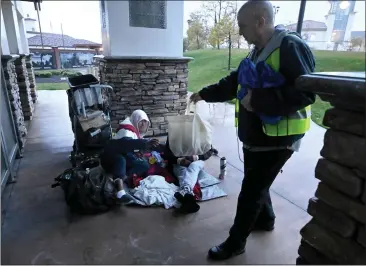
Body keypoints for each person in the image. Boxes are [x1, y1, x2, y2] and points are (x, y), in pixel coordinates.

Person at [190, 0, 316, 260]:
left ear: (260, 21)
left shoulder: (291, 46)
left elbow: (307, 92)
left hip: (278, 137)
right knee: (257, 182)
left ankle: (236, 242)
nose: (239, 32)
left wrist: (258, 101)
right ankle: (265, 219)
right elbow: (235, 82)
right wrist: (203, 94)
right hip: (258, 135)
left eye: (242, 25)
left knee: (251, 190)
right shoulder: (257, 51)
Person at [100, 110, 160, 203]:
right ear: (136, 120)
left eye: (145, 121)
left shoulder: (134, 130)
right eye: (141, 121)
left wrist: (138, 151)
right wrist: (144, 143)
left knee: (144, 165)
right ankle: (120, 191)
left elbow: (132, 146)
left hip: (125, 155)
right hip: (111, 158)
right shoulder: (126, 130)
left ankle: (121, 178)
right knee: (121, 160)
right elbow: (126, 143)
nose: (143, 124)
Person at [162, 136, 217, 213]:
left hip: (197, 160)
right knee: (183, 173)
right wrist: (179, 160)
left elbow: (210, 150)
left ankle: (185, 191)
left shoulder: (200, 129)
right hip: (180, 162)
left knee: (193, 167)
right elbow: (167, 153)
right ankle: (188, 198)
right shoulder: (174, 131)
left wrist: (196, 157)